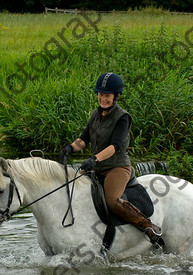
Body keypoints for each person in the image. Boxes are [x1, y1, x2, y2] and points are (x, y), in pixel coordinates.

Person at [60, 72, 162, 244]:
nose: (103, 99)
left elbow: (115, 146)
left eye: (107, 95)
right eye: (101, 95)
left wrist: (94, 160)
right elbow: (84, 139)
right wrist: (71, 147)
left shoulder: (123, 117)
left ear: (116, 96)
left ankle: (148, 226)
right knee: (72, 188)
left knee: (112, 201)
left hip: (117, 167)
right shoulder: (95, 115)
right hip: (97, 166)